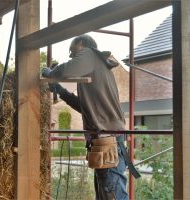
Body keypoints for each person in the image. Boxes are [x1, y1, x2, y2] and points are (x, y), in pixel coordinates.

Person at [42, 34, 140, 200]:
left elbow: (67, 69)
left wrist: (52, 73)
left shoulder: (90, 53)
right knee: (105, 194)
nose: (71, 56)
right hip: (105, 141)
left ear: (83, 44)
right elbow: (85, 107)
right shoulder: (97, 69)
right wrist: (61, 91)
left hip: (107, 141)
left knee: (112, 195)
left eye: (73, 51)